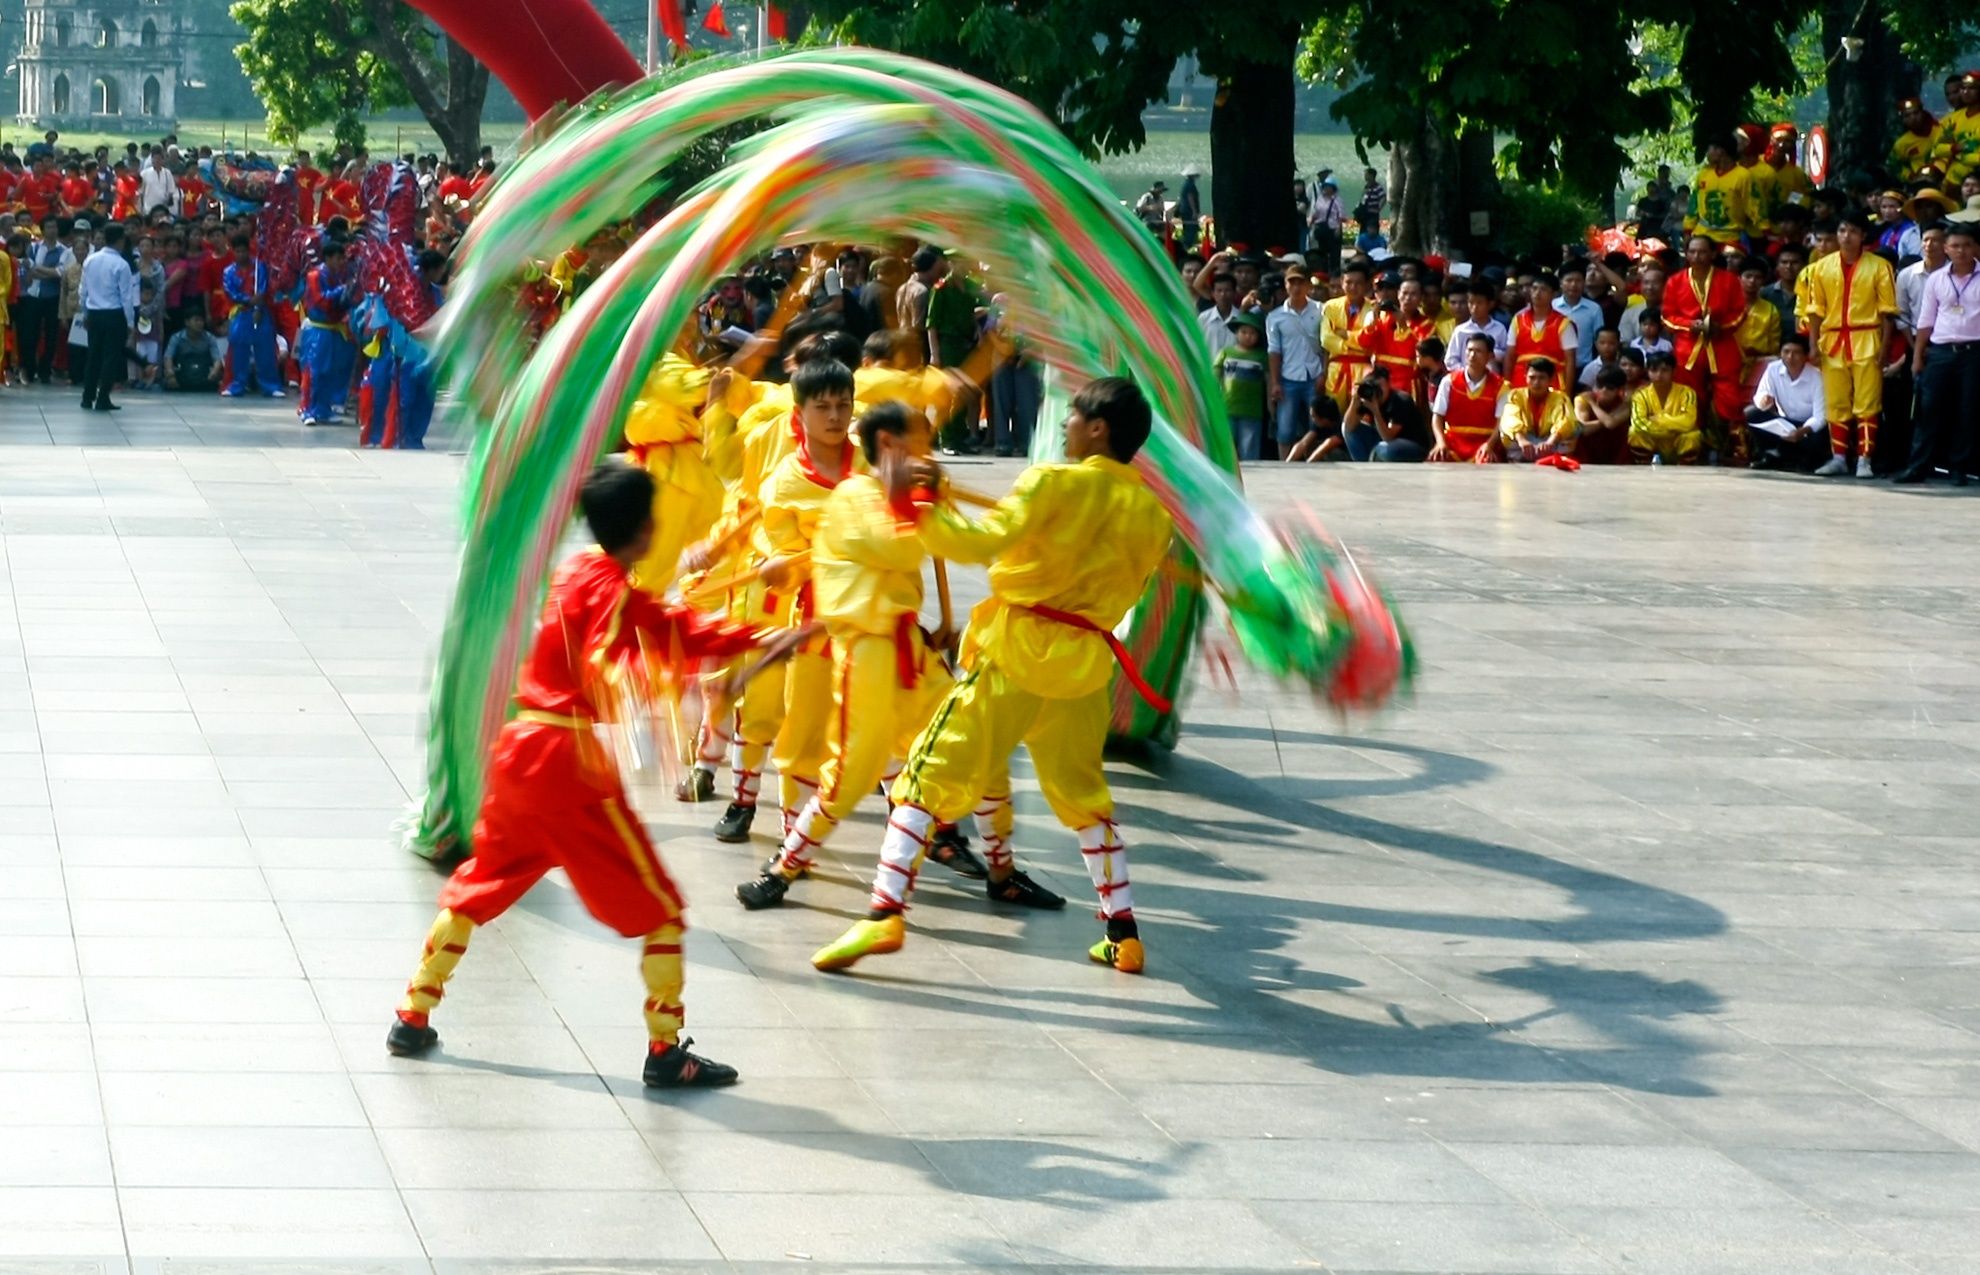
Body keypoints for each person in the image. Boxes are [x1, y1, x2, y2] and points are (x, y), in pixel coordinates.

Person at [387, 462, 808, 1088]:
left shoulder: (579, 572)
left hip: (519, 753)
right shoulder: (613, 591)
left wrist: (759, 637)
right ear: (647, 528)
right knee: (662, 910)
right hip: (567, 763)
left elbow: (669, 625)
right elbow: (616, 659)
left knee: (479, 885)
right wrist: (697, 684)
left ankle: (412, 1014)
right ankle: (666, 1051)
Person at [811, 377, 1173, 976]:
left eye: (1073, 416)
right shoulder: (1154, 517)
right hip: (1084, 666)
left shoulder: (1052, 482)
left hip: (1016, 652)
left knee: (922, 776)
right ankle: (1123, 933)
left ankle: (883, 913)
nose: (1065, 425)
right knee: (1085, 798)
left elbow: (976, 544)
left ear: (1098, 428)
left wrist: (920, 504)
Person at [735, 401, 975, 910]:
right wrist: (780, 566)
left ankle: (987, 860)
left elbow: (954, 545)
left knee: (965, 734)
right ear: (888, 444)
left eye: (842, 405)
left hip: (906, 647)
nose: (927, 451)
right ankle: (785, 861)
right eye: (918, 439)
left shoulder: (893, 487)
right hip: (856, 649)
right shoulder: (850, 495)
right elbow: (899, 549)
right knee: (839, 769)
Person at [1802, 212, 1898, 478]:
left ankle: (1864, 459)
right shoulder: (1821, 267)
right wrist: (1813, 344)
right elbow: (1815, 310)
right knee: (1836, 400)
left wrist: (1885, 347)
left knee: (1868, 400)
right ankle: (1839, 457)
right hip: (1832, 339)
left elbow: (1888, 311)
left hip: (1866, 336)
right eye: (1842, 230)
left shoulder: (1879, 266)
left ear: (1863, 235)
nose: (1846, 236)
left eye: (1853, 231)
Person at [1900, 220, 1980, 484]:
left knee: (1967, 411)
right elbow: (1925, 320)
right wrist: (1917, 357)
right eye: (1955, 246)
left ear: (1975, 248)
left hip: (1973, 351)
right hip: (1940, 351)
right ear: (1946, 248)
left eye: (1966, 245)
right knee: (1928, 410)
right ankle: (1918, 466)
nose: (1961, 251)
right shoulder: (1937, 279)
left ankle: (1959, 468)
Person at [1746, 334, 1829, 471]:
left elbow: (1820, 417)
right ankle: (1770, 455)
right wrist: (1764, 401)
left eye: (1796, 353)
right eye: (1786, 352)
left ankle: (1801, 459)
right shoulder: (1773, 369)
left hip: (1808, 428)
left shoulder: (1816, 377)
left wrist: (1801, 431)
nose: (1790, 357)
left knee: (1816, 441)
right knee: (1752, 413)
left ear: (1805, 356)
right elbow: (1761, 395)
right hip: (1786, 424)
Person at [296, 239, 356, 425]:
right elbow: (320, 300)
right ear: (328, 258)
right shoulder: (315, 276)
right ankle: (306, 409)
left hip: (333, 328)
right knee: (313, 370)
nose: (340, 262)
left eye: (342, 259)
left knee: (330, 371)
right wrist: (341, 290)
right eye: (338, 258)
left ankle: (323, 409)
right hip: (317, 329)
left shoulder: (337, 277)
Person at [1267, 266, 1324, 459]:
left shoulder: (1321, 310)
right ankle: (1285, 466)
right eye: (1292, 283)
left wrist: (1324, 373)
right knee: (1285, 430)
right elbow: (1274, 351)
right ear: (1286, 285)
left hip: (1314, 375)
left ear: (1309, 285)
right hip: (1288, 377)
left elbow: (1326, 346)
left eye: (1301, 283)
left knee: (1316, 427)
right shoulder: (1275, 317)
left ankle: (1313, 464)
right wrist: (1275, 382)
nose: (1296, 287)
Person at [78, 222, 135, 413]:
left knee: (93, 356)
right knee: (110, 357)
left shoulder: (90, 260)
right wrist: (130, 322)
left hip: (94, 313)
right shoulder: (121, 264)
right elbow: (126, 297)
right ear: (120, 241)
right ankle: (103, 397)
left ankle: (87, 397)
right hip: (114, 314)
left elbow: (83, 291)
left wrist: (85, 313)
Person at [1428, 332, 1508, 462]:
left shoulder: (1501, 386)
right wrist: (1440, 442)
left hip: (1484, 442)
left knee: (1487, 462)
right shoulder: (1449, 381)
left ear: (1490, 356)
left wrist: (1489, 445)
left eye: (1478, 351)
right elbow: (1437, 417)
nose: (1472, 355)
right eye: (1469, 350)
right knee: (1438, 458)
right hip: (1453, 441)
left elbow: (1501, 423)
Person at [220, 234, 282, 398]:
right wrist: (248, 300)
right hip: (241, 312)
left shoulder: (259, 267)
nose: (241, 254)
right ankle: (237, 384)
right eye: (238, 251)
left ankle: (270, 385)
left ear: (249, 251)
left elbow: (262, 287)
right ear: (233, 251)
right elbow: (230, 292)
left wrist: (258, 307)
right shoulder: (228, 272)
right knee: (239, 349)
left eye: (243, 251)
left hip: (260, 311)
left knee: (265, 349)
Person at [18, 218, 72, 384]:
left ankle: (45, 371)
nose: (52, 230)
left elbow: (59, 273)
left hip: (53, 297)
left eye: (54, 227)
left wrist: (37, 268)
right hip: (33, 295)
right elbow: (28, 271)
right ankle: (29, 369)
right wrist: (47, 272)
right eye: (48, 227)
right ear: (42, 230)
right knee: (30, 335)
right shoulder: (34, 248)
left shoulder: (64, 251)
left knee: (51, 336)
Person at [1493, 358, 1575, 461]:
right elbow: (1511, 418)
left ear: (1551, 379)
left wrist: (1550, 442)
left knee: (1573, 430)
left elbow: (1565, 421)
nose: (1536, 382)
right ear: (1525, 377)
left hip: (1551, 442)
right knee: (1505, 430)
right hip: (1523, 442)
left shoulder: (1561, 397)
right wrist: (1522, 440)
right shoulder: (1516, 395)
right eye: (1532, 377)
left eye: (1542, 378)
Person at [1340, 366, 1429, 462]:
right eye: (1374, 386)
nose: (1378, 391)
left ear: (1388, 384)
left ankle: (1370, 466)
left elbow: (1388, 436)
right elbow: (1348, 428)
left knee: (1383, 449)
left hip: (1412, 445)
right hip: (1385, 441)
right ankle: (1363, 466)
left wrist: (1375, 411)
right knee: (1348, 429)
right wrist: (1355, 401)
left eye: (1380, 386)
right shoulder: (1369, 397)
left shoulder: (1401, 400)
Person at [1321, 259, 1378, 409]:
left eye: (1358, 283)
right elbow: (1326, 339)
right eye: (1349, 282)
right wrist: (1354, 344)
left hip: (1363, 369)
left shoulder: (1374, 309)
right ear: (1342, 282)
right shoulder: (1331, 306)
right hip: (1336, 369)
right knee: (1333, 412)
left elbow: (1370, 342)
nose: (1353, 287)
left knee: (1361, 412)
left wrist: (1345, 334)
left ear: (1367, 284)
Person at [1629, 351, 1703, 464]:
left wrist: (1659, 419)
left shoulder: (1687, 392)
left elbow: (1689, 422)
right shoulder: (1640, 395)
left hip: (1676, 442)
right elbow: (1638, 423)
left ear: (1674, 371)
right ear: (1647, 372)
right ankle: (1643, 465)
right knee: (1634, 432)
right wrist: (1670, 429)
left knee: (1692, 435)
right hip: (1657, 438)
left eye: (1664, 370)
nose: (1659, 375)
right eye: (1654, 370)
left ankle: (1686, 468)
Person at [1216, 309, 1270, 461]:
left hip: (1252, 410)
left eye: (1252, 333)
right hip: (1227, 407)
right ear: (1237, 333)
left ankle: (1250, 474)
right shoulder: (1226, 353)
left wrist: (1270, 404)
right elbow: (1216, 375)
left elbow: (1269, 380)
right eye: (1244, 332)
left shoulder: (1261, 356)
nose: (1248, 336)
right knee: (1226, 448)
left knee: (1249, 448)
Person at [1508, 273, 1578, 386]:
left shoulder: (1563, 323)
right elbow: (1509, 356)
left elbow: (1570, 361)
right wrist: (1506, 385)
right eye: (1534, 288)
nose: (1537, 293)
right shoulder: (1518, 320)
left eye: (1543, 289)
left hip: (1552, 381)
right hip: (1521, 380)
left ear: (1554, 294)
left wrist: (1567, 392)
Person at [1687, 133, 1753, 247]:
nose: (1707, 154)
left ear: (1720, 151)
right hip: (1703, 236)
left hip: (1731, 239)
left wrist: (1765, 230)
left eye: (1709, 149)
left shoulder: (1743, 176)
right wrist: (1688, 229)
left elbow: (1754, 206)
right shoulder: (1704, 173)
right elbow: (1694, 204)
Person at [1573, 364, 1634, 464]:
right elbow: (1583, 429)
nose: (1604, 390)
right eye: (1600, 386)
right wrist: (1609, 420)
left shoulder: (1625, 403)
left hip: (1615, 450)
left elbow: (1610, 424)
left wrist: (1592, 404)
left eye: (1610, 387)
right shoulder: (1582, 399)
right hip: (1588, 450)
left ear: (1620, 389)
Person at [1446, 283, 1509, 372]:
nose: (1474, 308)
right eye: (1471, 303)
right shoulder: (1461, 330)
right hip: (1465, 377)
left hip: (1492, 377)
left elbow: (1506, 356)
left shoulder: (1499, 329)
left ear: (1490, 304)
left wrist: (1493, 354)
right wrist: (1467, 372)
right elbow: (1450, 360)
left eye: (1479, 303)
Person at [1554, 262, 1603, 364]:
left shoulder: (1594, 308)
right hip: (1556, 365)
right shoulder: (1552, 306)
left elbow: (1599, 339)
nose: (1573, 285)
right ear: (1561, 283)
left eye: (1578, 281)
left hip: (1584, 366)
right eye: (1569, 280)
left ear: (1584, 282)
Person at [164, 309, 220, 393]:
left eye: (201, 320)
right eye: (196, 320)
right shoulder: (177, 338)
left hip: (204, 375)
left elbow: (217, 358)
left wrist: (215, 371)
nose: (199, 323)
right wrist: (170, 375)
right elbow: (168, 357)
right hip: (183, 373)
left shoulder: (210, 338)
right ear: (187, 322)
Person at [1892, 99, 1940, 184]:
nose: (1913, 118)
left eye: (1916, 113)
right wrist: (1910, 176)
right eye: (1907, 116)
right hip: (1920, 184)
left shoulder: (1941, 130)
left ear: (1923, 113)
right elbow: (1893, 165)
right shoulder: (1902, 143)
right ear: (1903, 120)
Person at [129, 279, 163, 392]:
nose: (149, 297)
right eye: (146, 294)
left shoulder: (155, 307)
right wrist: (133, 335)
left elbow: (159, 321)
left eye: (151, 294)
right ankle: (141, 380)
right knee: (140, 359)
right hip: (140, 338)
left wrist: (161, 333)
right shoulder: (136, 308)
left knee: (153, 360)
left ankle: (151, 381)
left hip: (153, 337)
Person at [1197, 272, 1241, 359]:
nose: (1223, 295)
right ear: (1213, 293)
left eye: (1227, 290)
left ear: (1234, 293)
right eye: (1219, 291)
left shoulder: (1241, 318)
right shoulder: (1204, 318)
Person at [1309, 177, 1346, 273]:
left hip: (1333, 228)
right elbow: (1316, 212)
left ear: (1333, 188)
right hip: (1322, 228)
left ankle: (1335, 270)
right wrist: (1311, 221)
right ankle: (1324, 270)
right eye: (1325, 187)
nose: (1326, 189)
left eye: (1328, 187)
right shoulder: (1320, 199)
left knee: (1335, 252)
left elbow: (1341, 215)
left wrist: (1338, 228)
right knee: (1322, 251)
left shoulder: (1337, 200)